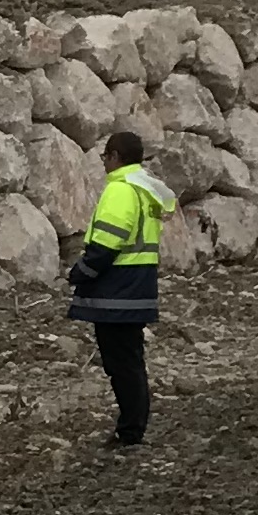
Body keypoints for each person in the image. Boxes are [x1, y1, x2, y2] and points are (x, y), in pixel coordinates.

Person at [67, 127, 175, 448]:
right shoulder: (145, 189)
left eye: (105, 156)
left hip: (116, 293)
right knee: (131, 361)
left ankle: (130, 432)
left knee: (121, 365)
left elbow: (106, 245)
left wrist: (79, 273)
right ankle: (132, 427)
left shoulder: (120, 190)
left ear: (115, 157)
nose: (103, 163)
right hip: (138, 289)